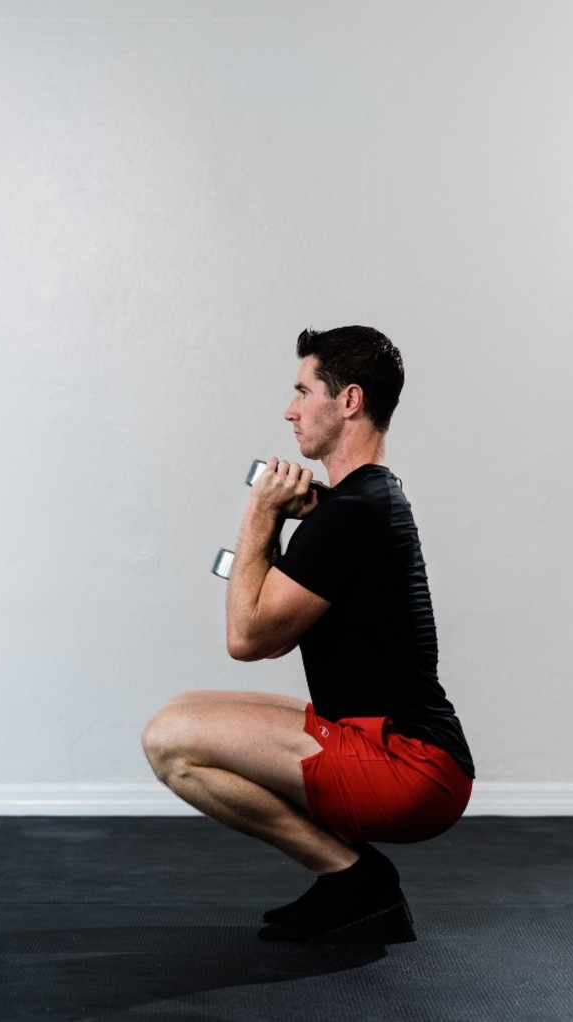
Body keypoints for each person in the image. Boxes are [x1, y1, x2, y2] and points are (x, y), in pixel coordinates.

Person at [142, 325, 474, 943]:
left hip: (411, 770)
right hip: (391, 745)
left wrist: (259, 511)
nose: (290, 410)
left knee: (170, 741)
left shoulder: (358, 511)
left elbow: (245, 638)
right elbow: (273, 629)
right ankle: (347, 875)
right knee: (181, 711)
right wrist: (277, 527)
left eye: (303, 391)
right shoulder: (359, 503)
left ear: (348, 401)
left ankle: (352, 875)